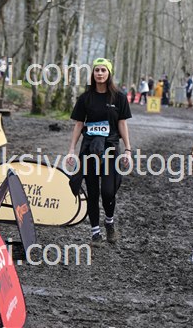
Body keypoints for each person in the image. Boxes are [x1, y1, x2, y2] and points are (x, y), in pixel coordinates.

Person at [67, 58, 132, 247]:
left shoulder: (119, 97)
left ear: (109, 73)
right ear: (93, 73)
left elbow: (122, 123)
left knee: (108, 191)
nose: (100, 73)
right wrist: (71, 150)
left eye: (104, 70)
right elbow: (79, 124)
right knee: (93, 191)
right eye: (97, 70)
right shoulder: (85, 98)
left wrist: (128, 150)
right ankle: (95, 232)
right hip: (90, 149)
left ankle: (109, 222)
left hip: (110, 148)